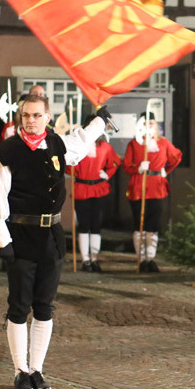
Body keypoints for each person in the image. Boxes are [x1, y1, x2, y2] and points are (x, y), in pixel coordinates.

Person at [0, 95, 114, 389]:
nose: (31, 120)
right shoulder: (6, 152)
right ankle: (20, 371)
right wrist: (2, 240)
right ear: (20, 117)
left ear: (47, 116)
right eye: (26, 115)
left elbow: (81, 141)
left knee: (45, 307)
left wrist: (99, 121)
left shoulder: (57, 144)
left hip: (52, 236)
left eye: (37, 115)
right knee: (19, 307)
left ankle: (37, 370)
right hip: (21, 235)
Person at [122, 112, 183, 272]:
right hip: (139, 185)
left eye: (152, 123)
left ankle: (151, 258)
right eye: (146, 123)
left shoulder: (163, 143)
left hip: (156, 186)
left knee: (153, 223)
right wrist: (138, 167)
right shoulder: (134, 144)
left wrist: (165, 170)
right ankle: (141, 259)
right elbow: (127, 166)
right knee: (139, 222)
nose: (149, 126)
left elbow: (176, 157)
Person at [71, 116, 120, 272]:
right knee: (84, 224)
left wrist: (107, 173)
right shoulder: (79, 146)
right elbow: (68, 163)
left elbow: (115, 162)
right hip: (82, 187)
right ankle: (85, 260)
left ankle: (95, 258)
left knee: (96, 224)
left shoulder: (104, 147)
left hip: (98, 188)